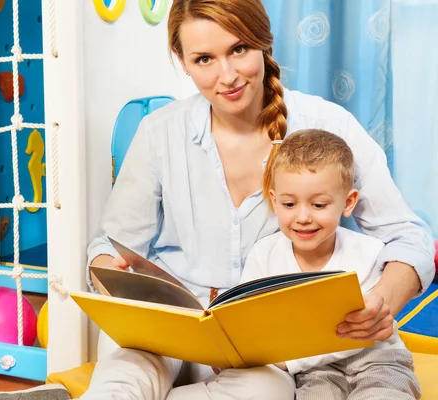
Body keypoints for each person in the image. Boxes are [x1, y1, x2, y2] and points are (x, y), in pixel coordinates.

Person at [79, 0, 435, 399]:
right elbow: (108, 247)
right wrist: (111, 271)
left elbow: (409, 238)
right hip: (169, 325)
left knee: (266, 391)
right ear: (182, 61)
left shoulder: (329, 125)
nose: (227, 76)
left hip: (265, 353)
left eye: (239, 49)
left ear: (264, 43)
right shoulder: (158, 132)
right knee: (122, 377)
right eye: (204, 59)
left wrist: (380, 303)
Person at [240, 129, 422, 399]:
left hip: (379, 361)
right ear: (274, 201)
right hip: (316, 372)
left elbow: (355, 336)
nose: (302, 217)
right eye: (289, 204)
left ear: (347, 203)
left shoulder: (369, 253)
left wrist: (288, 361)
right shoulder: (263, 255)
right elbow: (245, 318)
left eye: (318, 204)